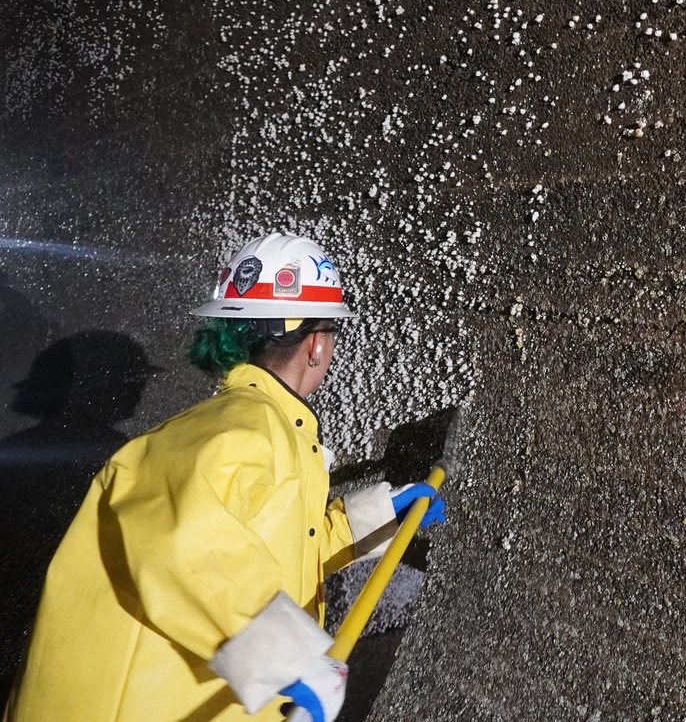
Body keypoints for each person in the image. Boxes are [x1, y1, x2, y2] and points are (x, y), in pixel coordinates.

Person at [3, 232, 443, 722]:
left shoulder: (263, 430)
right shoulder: (236, 432)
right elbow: (183, 550)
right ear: (317, 344)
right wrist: (289, 659)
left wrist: (372, 520)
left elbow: (257, 556)